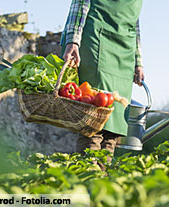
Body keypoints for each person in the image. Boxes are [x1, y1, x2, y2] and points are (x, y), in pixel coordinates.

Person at [60, 0, 144, 160]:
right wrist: (73, 41)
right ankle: (88, 176)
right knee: (93, 121)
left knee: (114, 126)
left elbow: (135, 20)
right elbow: (80, 4)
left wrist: (137, 61)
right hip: (96, 41)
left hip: (125, 51)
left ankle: (104, 180)